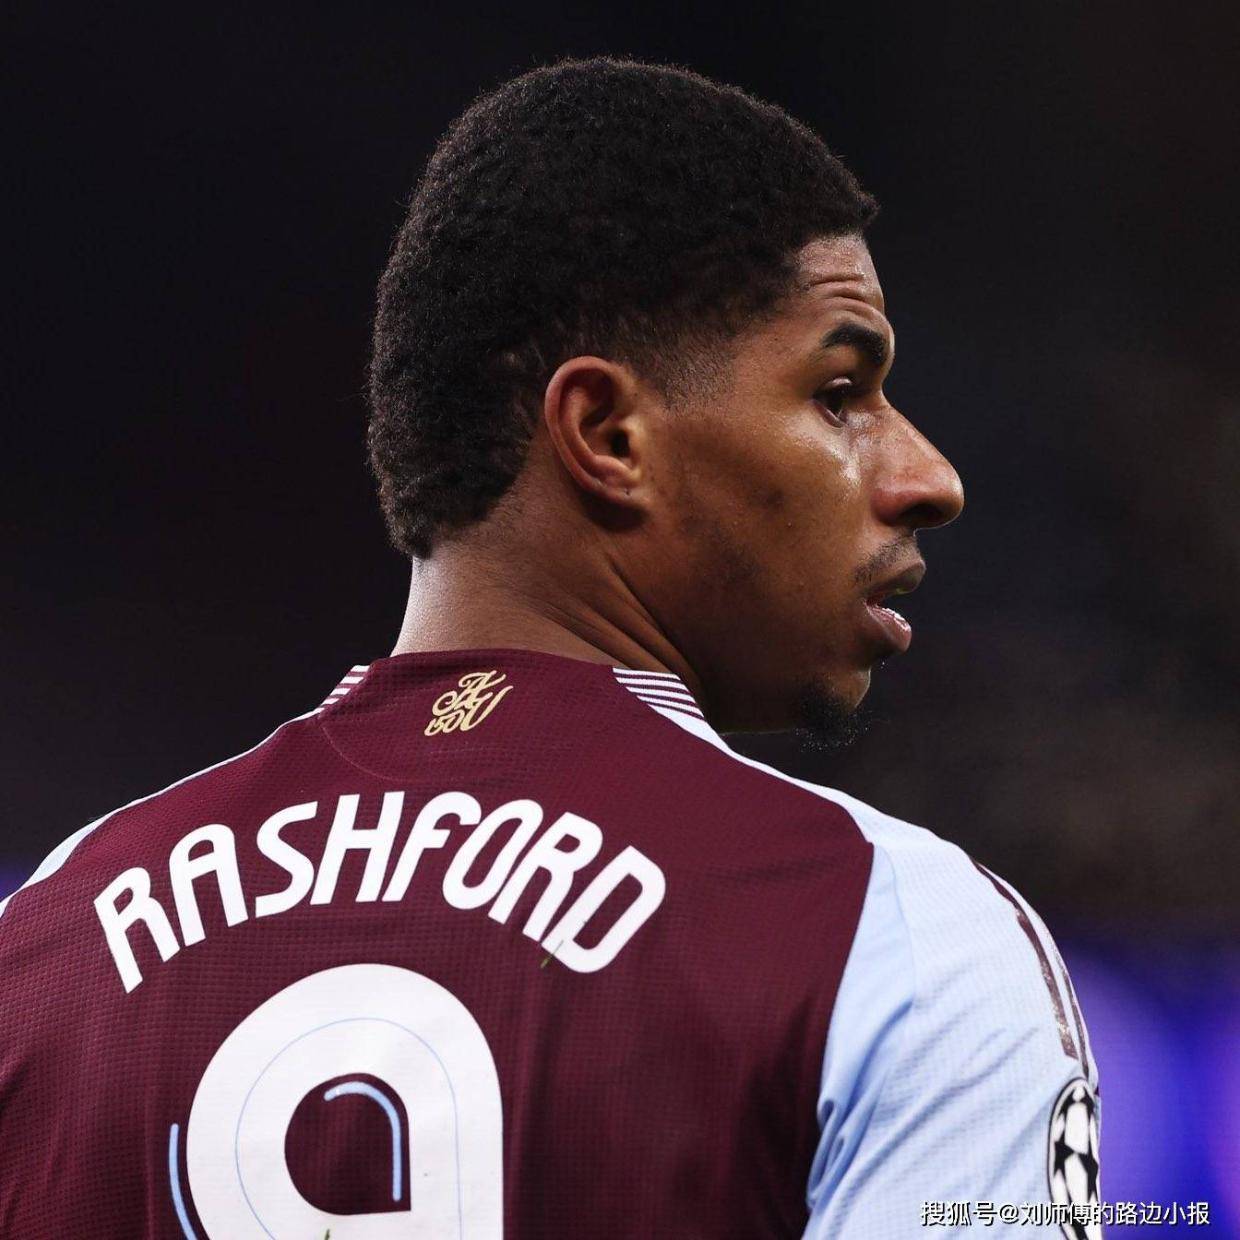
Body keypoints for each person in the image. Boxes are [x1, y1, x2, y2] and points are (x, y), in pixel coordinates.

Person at [0, 57, 1100, 1238]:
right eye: (840, 391)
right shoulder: (890, 937)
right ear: (609, 434)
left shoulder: (50, 944)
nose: (928, 477)